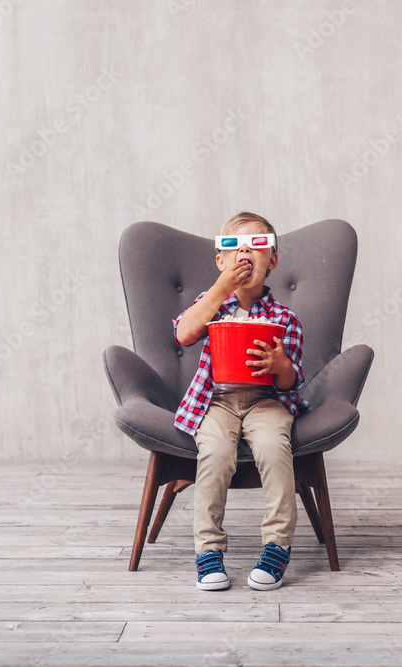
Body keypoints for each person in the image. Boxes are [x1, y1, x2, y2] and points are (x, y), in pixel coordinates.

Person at [173, 211, 309, 591]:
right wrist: (220, 288)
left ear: (273, 260)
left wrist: (282, 365)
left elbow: (291, 379)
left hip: (266, 401)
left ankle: (277, 546)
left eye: (258, 246)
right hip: (216, 401)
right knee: (215, 454)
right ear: (221, 260)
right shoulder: (210, 303)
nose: (245, 254)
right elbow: (184, 333)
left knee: (273, 447)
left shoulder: (285, 318)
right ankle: (208, 551)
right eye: (234, 247)